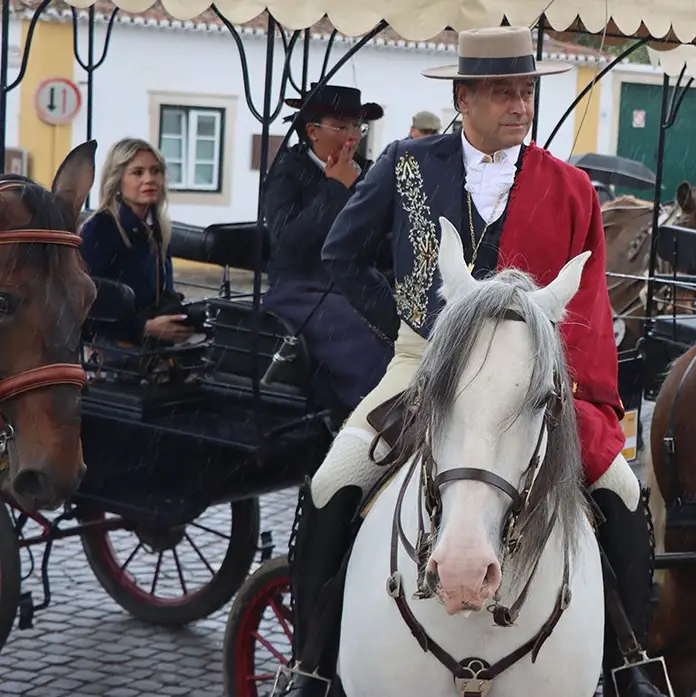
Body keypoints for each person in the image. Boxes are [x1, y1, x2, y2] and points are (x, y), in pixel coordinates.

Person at [281, 27, 660, 697]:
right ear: (463, 97)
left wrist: (577, 383)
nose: (519, 104)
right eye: (502, 92)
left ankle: (631, 665)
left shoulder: (569, 186)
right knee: (330, 481)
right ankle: (309, 666)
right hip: (424, 359)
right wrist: (414, 319)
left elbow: (592, 297)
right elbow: (341, 251)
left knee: (624, 493)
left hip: (531, 369)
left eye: (525, 91)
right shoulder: (405, 163)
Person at [261, 83, 392, 413]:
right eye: (341, 126)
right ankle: (365, 429)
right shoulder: (286, 173)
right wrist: (335, 187)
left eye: (356, 127)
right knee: (366, 346)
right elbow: (288, 242)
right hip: (300, 289)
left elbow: (383, 238)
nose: (351, 136)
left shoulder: (370, 172)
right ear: (312, 131)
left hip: (358, 284)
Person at [79, 138, 194, 347]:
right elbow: (84, 308)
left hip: (154, 354)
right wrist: (144, 328)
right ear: (118, 181)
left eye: (156, 171)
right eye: (137, 173)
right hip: (112, 359)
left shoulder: (159, 230)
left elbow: (160, 295)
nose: (149, 179)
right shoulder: (98, 230)